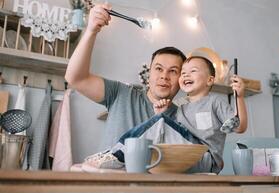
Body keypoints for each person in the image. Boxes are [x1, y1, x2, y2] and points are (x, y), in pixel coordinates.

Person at [82, 51, 248, 174]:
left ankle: (116, 155)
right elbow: (169, 133)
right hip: (184, 155)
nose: (186, 75)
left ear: (210, 80)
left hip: (204, 157)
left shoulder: (214, 102)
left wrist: (239, 97)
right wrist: (159, 113)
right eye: (183, 73)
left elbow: (239, 127)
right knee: (159, 124)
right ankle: (119, 156)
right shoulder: (181, 106)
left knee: (159, 122)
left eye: (193, 71)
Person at [65, 4, 186, 150]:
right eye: (159, 69)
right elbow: (76, 78)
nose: (164, 76)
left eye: (173, 71)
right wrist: (91, 31)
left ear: (181, 79)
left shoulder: (183, 119)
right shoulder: (121, 94)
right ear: (149, 73)